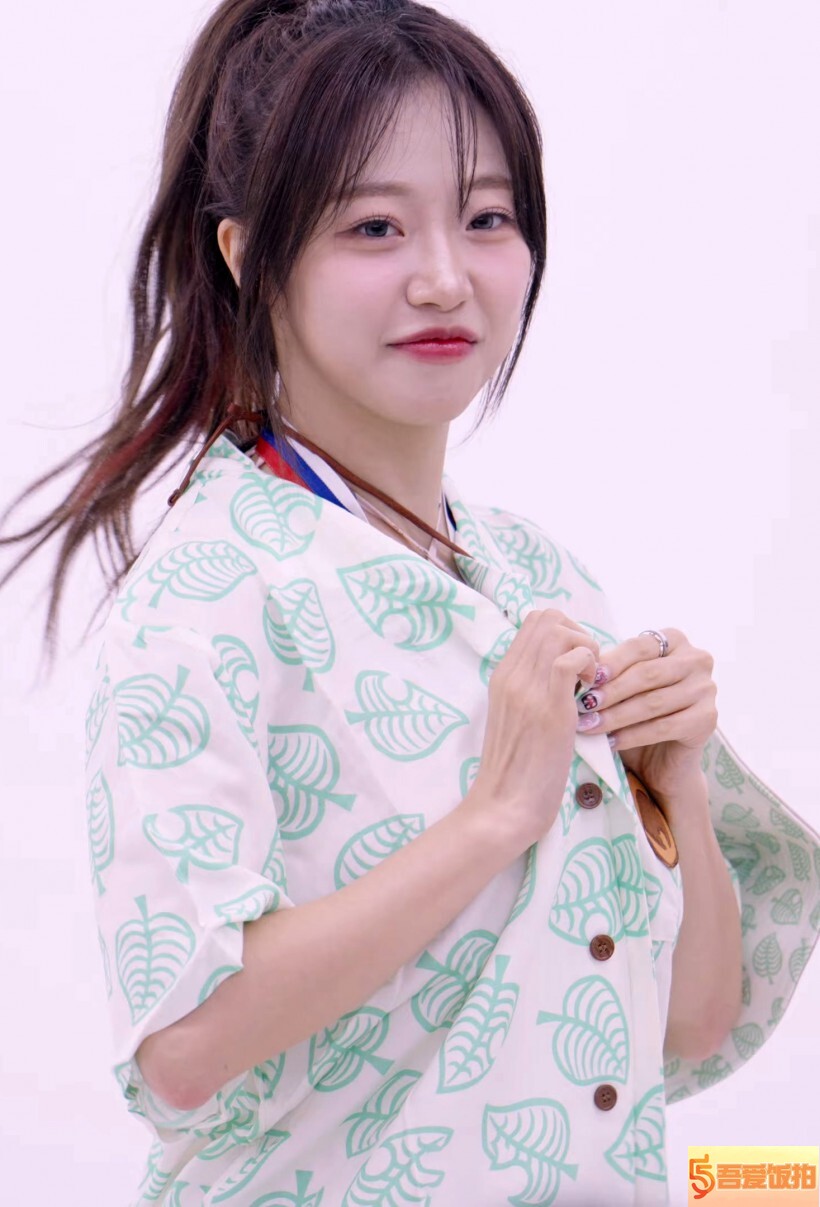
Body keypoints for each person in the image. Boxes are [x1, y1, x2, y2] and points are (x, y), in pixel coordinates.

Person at [2, 1, 818, 1203]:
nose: (444, 278)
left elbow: (683, 1028)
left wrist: (673, 781)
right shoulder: (204, 599)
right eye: (374, 226)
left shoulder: (542, 576)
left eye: (487, 218)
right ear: (247, 255)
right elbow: (181, 1047)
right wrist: (494, 817)